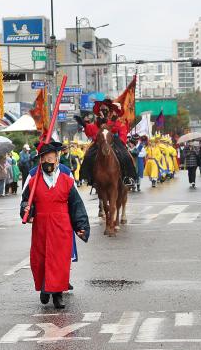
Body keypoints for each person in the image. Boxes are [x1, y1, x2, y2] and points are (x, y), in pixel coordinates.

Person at [20, 141, 90, 310]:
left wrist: (81, 226)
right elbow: (25, 202)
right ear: (40, 162)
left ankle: (58, 294)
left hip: (61, 226)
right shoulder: (33, 182)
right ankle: (45, 288)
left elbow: (76, 205)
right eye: (44, 160)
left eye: (51, 159)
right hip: (41, 227)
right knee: (41, 259)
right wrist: (26, 211)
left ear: (57, 160)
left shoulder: (66, 180)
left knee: (59, 261)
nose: (48, 163)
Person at [79, 100, 137, 186]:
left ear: (109, 110)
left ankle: (127, 177)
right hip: (100, 141)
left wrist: (106, 121)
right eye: (101, 109)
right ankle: (88, 177)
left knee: (125, 156)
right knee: (88, 156)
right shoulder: (98, 120)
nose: (102, 111)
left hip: (114, 141)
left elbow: (117, 128)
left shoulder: (115, 119)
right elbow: (93, 130)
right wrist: (85, 125)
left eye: (104, 109)